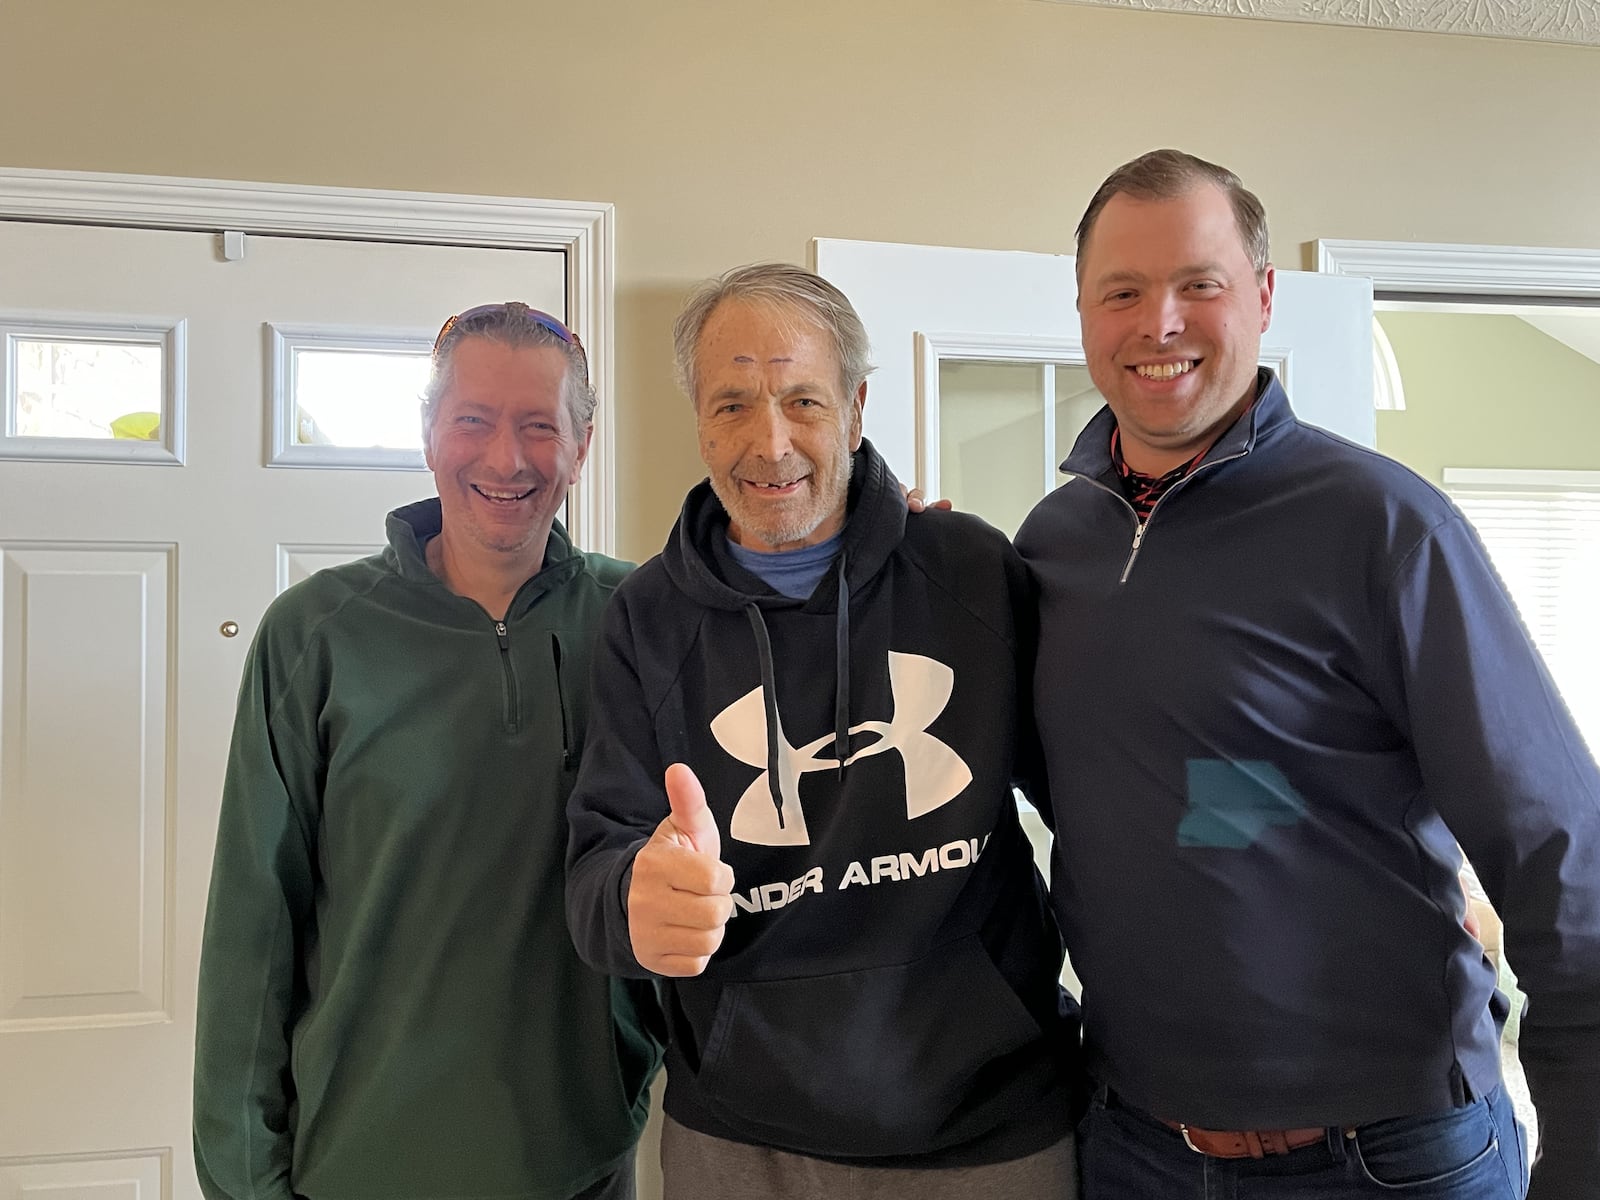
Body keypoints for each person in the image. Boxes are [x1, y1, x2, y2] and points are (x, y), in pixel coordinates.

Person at [1015, 148, 1600, 1198]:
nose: (1160, 325)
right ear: (1082, 311)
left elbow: (1558, 850)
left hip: (1390, 1155)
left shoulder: (1383, 525)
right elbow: (1097, 786)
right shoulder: (1052, 545)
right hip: (1135, 1146)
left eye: (1199, 284)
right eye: (1123, 292)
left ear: (1263, 296)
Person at [565, 263, 1079, 1199]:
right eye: (731, 404)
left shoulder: (970, 571)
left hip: (991, 1124)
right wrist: (637, 905)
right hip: (741, 1137)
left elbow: (1102, 805)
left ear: (855, 406)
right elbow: (599, 866)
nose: (770, 442)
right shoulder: (646, 618)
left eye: (802, 398)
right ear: (696, 418)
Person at [193, 303, 661, 1200]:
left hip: (581, 1161)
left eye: (539, 426)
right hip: (363, 1161)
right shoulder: (315, 636)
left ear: (583, 443)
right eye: (473, 421)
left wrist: (887, 541)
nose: (505, 459)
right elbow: (253, 929)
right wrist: (245, 1178)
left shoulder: (639, 620)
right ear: (427, 432)